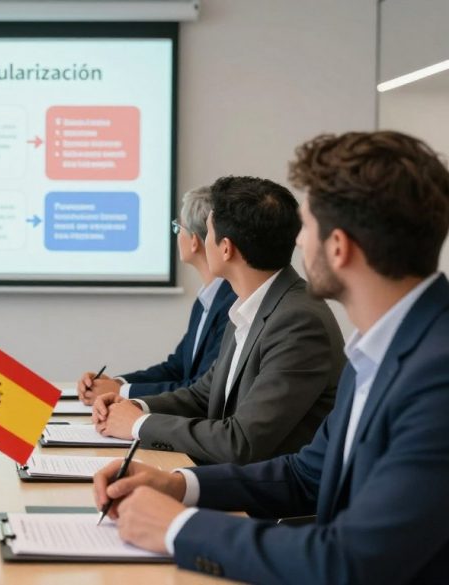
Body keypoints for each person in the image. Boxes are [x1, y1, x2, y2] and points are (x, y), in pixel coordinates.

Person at [93, 131, 449, 583]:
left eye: (307, 228)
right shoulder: (380, 349)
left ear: (339, 247)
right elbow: (306, 475)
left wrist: (178, 528)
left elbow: (351, 561)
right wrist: (177, 484)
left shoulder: (436, 376)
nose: (297, 243)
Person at [92, 176, 345, 465]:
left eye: (209, 232)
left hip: (261, 488)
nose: (202, 239)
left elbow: (241, 441)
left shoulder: (298, 322)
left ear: (226, 248)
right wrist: (134, 406)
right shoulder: (250, 305)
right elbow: (204, 395)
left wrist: (138, 425)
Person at [77, 186, 237, 403]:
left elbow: (199, 387)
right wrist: (117, 384)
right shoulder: (206, 300)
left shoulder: (231, 304)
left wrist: (121, 392)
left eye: (178, 228)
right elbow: (176, 367)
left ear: (194, 241)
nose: (176, 234)